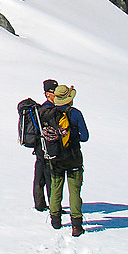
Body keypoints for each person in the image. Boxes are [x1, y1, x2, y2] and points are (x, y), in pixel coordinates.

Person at [47, 84, 89, 236]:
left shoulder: (49, 112)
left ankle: (55, 220)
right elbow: (85, 137)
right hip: (73, 157)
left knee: (56, 187)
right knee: (75, 191)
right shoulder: (75, 114)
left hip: (55, 157)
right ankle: (76, 225)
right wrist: (73, 136)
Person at [33, 79, 57, 211]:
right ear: (47, 93)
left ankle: (40, 204)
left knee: (40, 175)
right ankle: (53, 205)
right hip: (46, 147)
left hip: (40, 147)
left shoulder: (41, 109)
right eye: (53, 92)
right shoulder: (48, 109)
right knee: (49, 176)